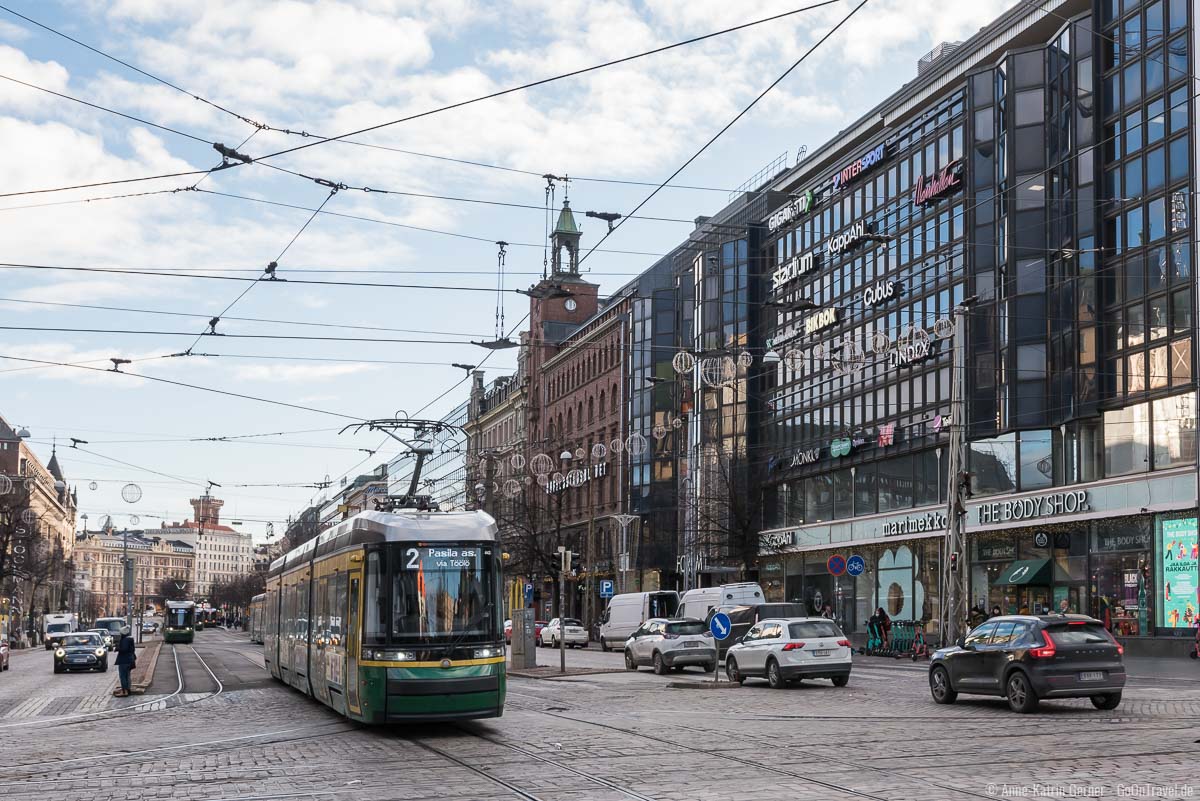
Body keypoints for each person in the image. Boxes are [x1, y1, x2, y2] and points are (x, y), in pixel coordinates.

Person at [114, 625, 137, 697]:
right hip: (130, 660)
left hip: (124, 660)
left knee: (123, 676)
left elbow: (124, 649)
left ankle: (125, 691)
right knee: (127, 676)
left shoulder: (125, 640)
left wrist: (117, 648)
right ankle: (128, 689)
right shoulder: (130, 639)